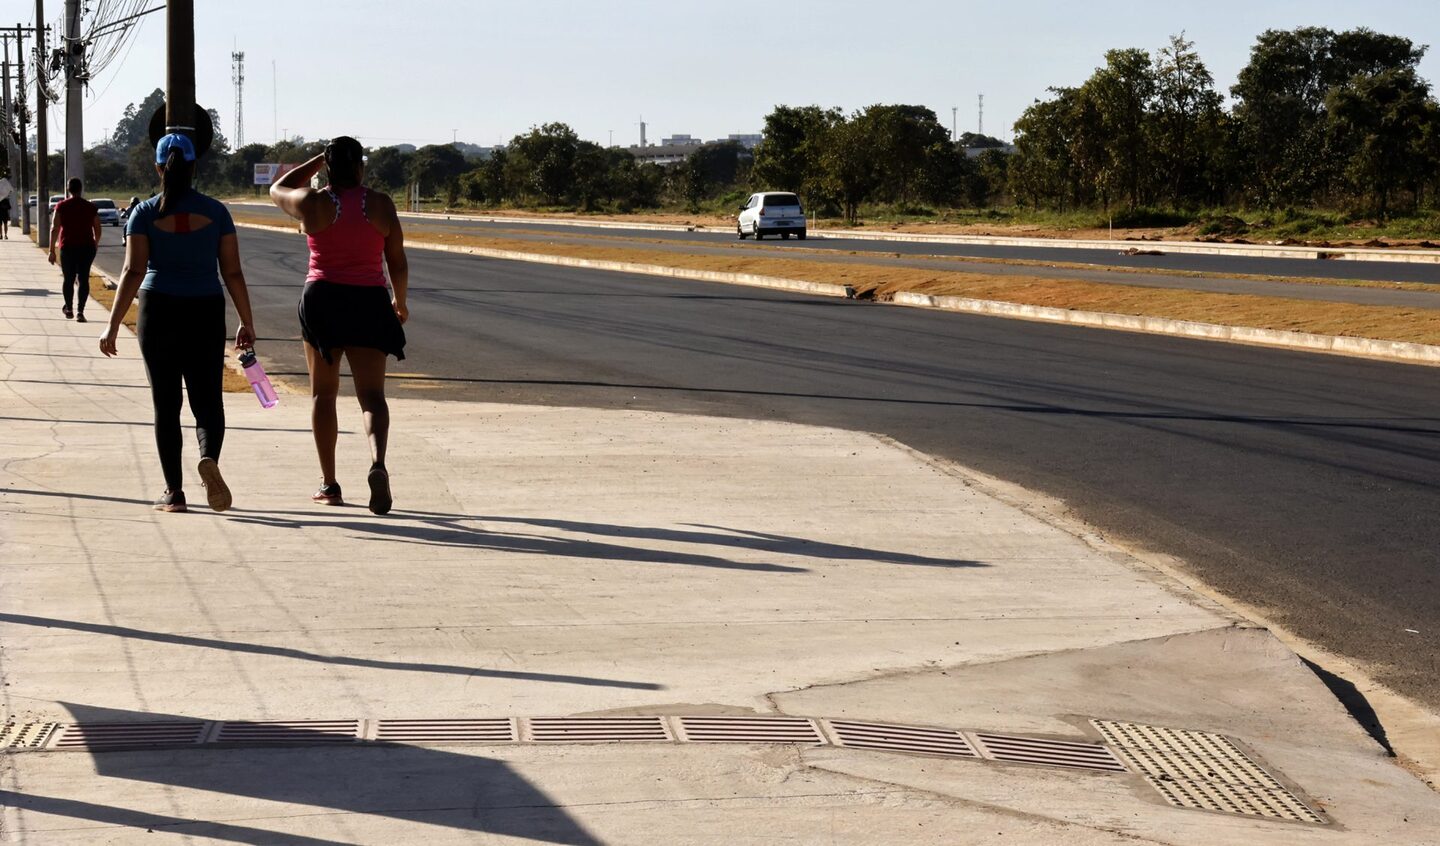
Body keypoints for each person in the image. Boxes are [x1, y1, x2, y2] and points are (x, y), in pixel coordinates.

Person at [99, 134, 257, 514]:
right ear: (194, 168)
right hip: (205, 308)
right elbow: (232, 271)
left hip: (159, 311)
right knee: (208, 400)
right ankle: (209, 461)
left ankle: (173, 492)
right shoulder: (217, 212)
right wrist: (246, 321)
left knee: (165, 404)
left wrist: (113, 323)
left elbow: (133, 269)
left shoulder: (143, 213)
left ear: (157, 168)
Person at [268, 136, 408, 514]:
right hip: (369, 301)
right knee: (373, 397)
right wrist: (400, 300)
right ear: (361, 167)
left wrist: (315, 161)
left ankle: (329, 484)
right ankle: (377, 462)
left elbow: (277, 188)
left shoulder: (313, 203)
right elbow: (396, 260)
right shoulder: (379, 204)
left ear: (328, 167)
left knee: (323, 395)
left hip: (323, 300)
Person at [49, 178, 102, 322]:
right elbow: (97, 228)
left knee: (69, 278)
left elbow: (55, 228)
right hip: (87, 247)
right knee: (83, 279)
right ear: (81, 189)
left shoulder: (61, 206)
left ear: (68, 189)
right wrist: (95, 243)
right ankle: (80, 311)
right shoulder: (90, 207)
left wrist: (51, 250)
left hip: (68, 247)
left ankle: (69, 308)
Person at [0, 174, 13, 239]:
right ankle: (1, 235)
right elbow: (9, 208)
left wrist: (4, 207)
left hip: (4, 213)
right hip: (3, 213)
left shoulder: (6, 199)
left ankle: (5, 235)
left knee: (5, 224)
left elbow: (9, 207)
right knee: (1, 225)